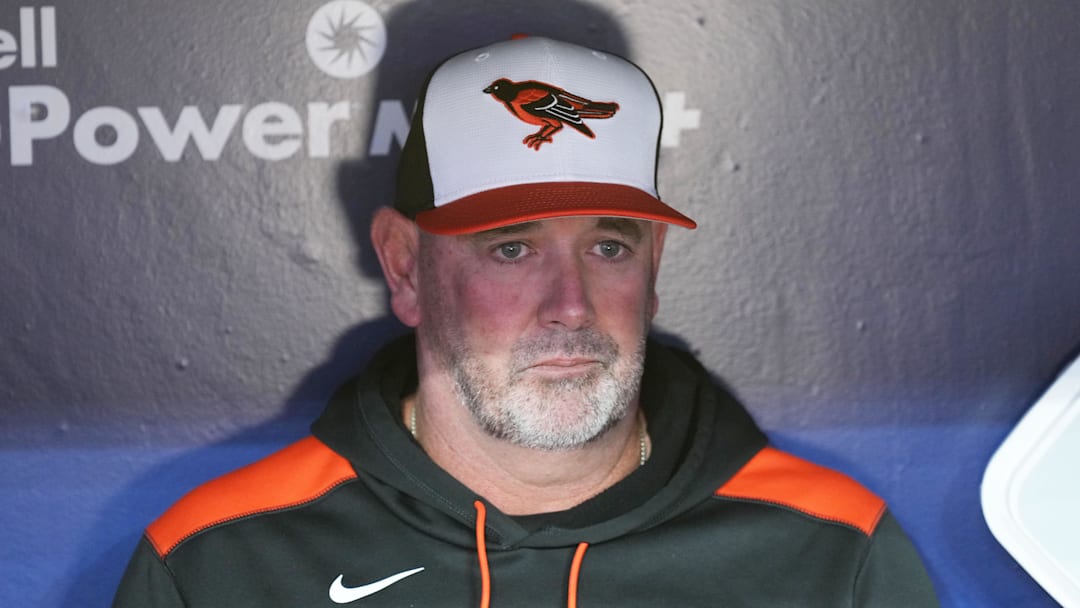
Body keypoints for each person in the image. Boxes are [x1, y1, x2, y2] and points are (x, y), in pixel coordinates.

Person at [113, 36, 938, 607]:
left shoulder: (834, 550)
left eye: (609, 246)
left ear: (653, 268)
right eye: (511, 250)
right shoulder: (220, 559)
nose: (570, 306)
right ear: (405, 266)